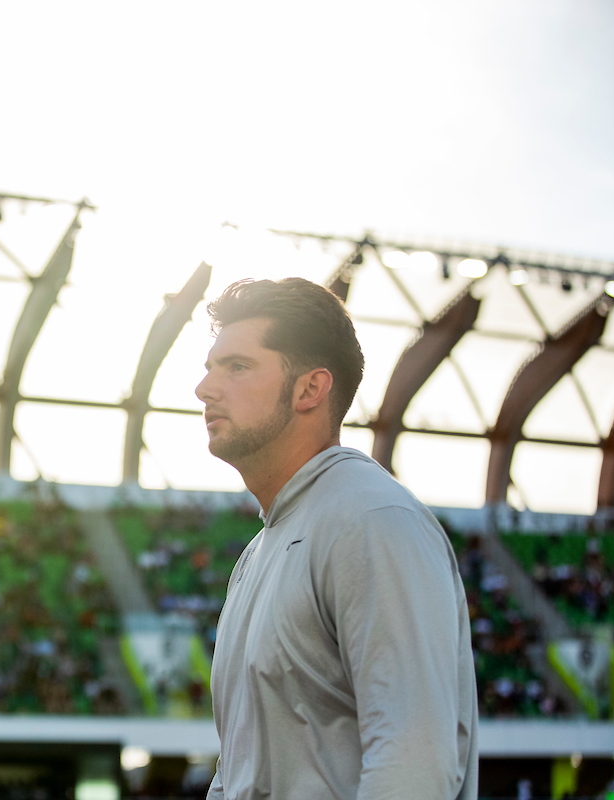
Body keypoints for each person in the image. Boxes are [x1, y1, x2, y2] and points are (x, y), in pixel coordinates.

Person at [196, 277, 478, 800]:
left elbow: (413, 765)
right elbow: (237, 772)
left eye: (237, 367)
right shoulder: (258, 552)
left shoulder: (374, 520)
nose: (205, 389)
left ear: (310, 389)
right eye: (210, 368)